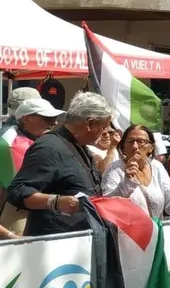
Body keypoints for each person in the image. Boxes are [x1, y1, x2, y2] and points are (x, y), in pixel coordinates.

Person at [7, 92, 113, 236]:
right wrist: (56, 202)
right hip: (56, 242)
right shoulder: (49, 148)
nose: (105, 132)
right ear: (89, 123)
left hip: (82, 240)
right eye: (103, 126)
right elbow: (17, 191)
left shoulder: (80, 147)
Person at [101, 124, 170, 225]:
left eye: (141, 142)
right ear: (123, 147)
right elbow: (108, 204)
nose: (135, 146)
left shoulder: (157, 167)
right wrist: (127, 181)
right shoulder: (114, 169)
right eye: (131, 141)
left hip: (155, 232)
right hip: (126, 232)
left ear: (150, 148)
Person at [0, 97, 65, 236]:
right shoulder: (11, 143)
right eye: (47, 118)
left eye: (54, 118)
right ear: (26, 119)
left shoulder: (32, 139)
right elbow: (20, 191)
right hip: (19, 215)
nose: (54, 122)